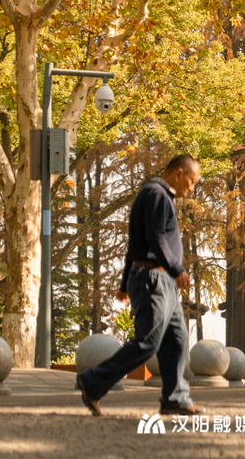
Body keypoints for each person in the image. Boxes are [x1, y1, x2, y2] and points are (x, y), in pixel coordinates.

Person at [76, 153, 203, 417]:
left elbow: (134, 245)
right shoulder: (156, 194)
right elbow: (154, 238)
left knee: (177, 340)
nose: (191, 189)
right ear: (179, 173)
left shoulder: (158, 195)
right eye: (191, 181)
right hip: (154, 280)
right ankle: (93, 381)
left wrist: (124, 282)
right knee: (147, 343)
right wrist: (176, 268)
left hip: (160, 281)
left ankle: (174, 398)